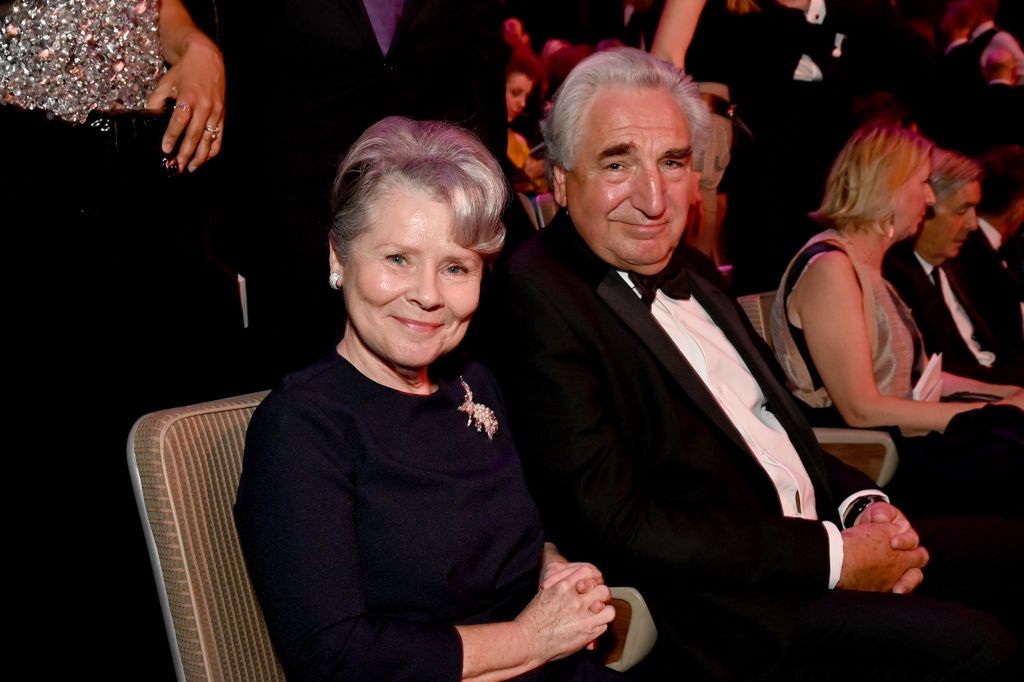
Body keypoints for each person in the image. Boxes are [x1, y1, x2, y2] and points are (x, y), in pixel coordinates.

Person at [479, 47, 1023, 680]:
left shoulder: (696, 273)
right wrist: (836, 560)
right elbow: (618, 523)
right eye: (618, 162)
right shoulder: (537, 294)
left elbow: (787, 435)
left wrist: (866, 507)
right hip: (732, 613)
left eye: (673, 162)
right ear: (563, 182)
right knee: (980, 650)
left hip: (817, 542)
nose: (654, 198)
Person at [234, 117, 621, 682]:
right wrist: (531, 637)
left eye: (455, 268)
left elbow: (491, 543)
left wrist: (553, 571)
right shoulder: (303, 426)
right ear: (339, 257)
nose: (427, 295)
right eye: (398, 259)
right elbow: (335, 656)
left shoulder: (474, 385)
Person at [770, 125, 1023, 519]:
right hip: (873, 460)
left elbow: (921, 378)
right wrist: (993, 412)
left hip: (900, 442)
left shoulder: (866, 265)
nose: (930, 196)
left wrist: (1007, 394)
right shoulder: (832, 268)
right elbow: (861, 410)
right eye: (922, 183)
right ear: (887, 186)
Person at [884, 148, 1024, 386]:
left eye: (975, 209)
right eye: (962, 210)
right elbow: (932, 374)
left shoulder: (957, 262)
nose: (972, 224)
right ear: (923, 209)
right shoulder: (894, 277)